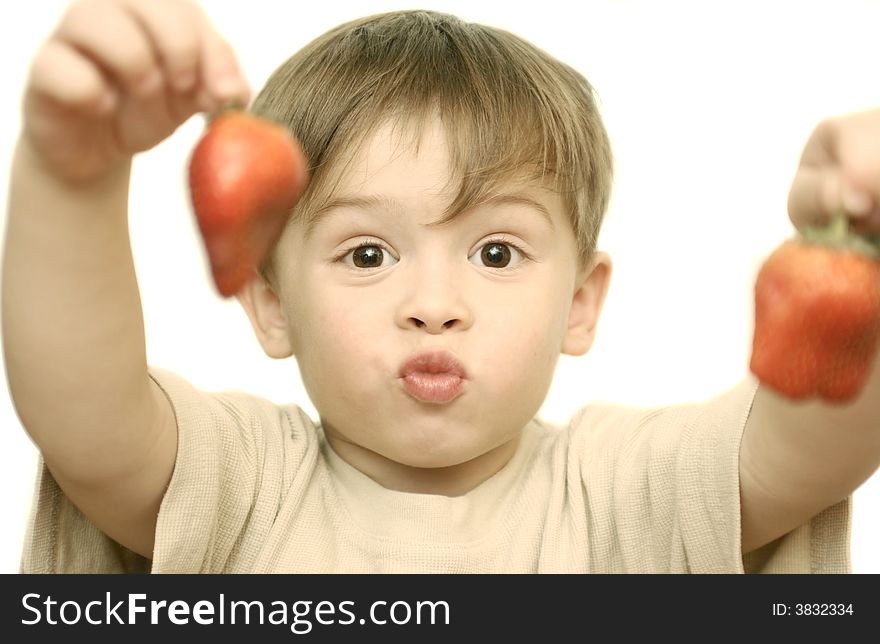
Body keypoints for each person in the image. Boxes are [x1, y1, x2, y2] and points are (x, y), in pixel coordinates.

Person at [4, 0, 876, 574]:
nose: (432, 303)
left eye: (496, 254)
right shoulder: (242, 480)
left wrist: (855, 258)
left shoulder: (625, 488)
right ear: (270, 302)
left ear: (582, 302)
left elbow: (807, 449)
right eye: (367, 254)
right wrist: (72, 176)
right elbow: (87, 416)